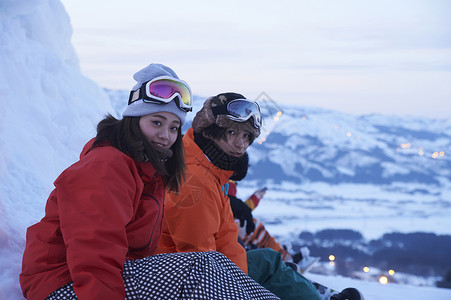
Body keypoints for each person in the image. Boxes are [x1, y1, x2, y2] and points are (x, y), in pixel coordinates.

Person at [20, 65, 278, 300]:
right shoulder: (106, 167)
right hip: (63, 285)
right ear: (135, 119)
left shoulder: (148, 172)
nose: (166, 136)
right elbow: (93, 254)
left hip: (110, 276)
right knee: (201, 268)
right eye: (157, 122)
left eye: (174, 127)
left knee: (216, 265)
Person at [157, 92, 364, 300]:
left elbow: (224, 241)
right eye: (232, 132)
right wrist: (250, 287)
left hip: (215, 268)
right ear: (210, 131)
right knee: (269, 266)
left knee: (267, 261)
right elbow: (200, 263)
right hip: (188, 282)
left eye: (247, 136)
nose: (241, 144)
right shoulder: (195, 181)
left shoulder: (211, 172)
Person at [228, 180, 320, 274]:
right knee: (257, 232)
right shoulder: (228, 177)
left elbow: (235, 207)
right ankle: (285, 259)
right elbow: (233, 206)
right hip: (228, 224)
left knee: (256, 231)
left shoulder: (229, 178)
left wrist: (255, 198)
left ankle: (284, 257)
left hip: (230, 222)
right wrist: (254, 200)